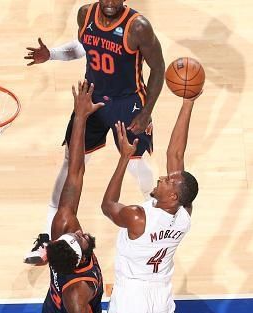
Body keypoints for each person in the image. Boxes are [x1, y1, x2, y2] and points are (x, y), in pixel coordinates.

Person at [23, 0, 165, 265]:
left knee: (137, 165)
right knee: (72, 163)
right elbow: (83, 46)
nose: (110, 2)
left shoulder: (138, 27)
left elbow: (158, 69)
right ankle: (47, 236)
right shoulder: (85, 14)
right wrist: (51, 54)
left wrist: (146, 112)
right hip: (92, 98)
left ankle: (160, 218)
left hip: (128, 103)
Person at [100, 92, 201, 313]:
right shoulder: (184, 217)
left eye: (168, 182)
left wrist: (124, 157)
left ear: (173, 197)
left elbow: (107, 205)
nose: (163, 179)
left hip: (130, 299)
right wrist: (188, 101)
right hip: (160, 299)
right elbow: (176, 154)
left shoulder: (138, 217)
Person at [41, 79, 132, 313]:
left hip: (56, 311)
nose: (82, 233)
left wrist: (80, 117)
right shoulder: (79, 291)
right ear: (78, 260)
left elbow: (76, 171)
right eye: (81, 241)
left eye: (77, 236)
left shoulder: (63, 223)